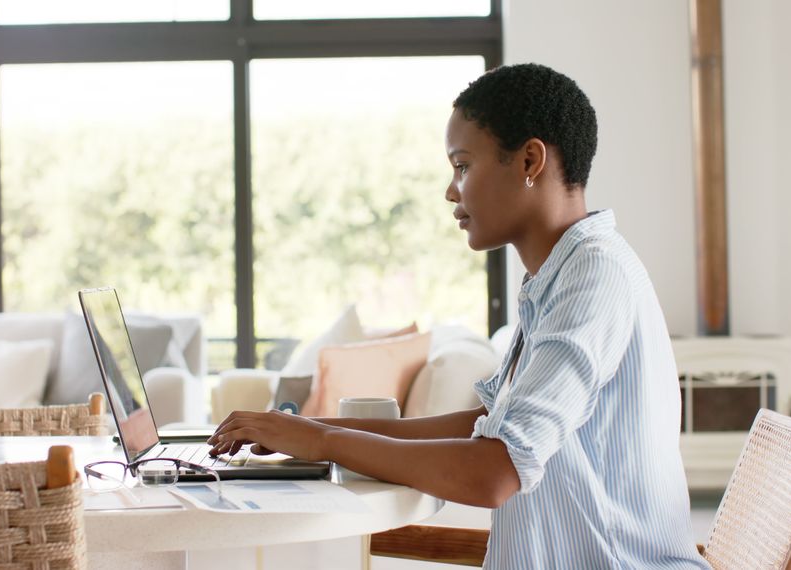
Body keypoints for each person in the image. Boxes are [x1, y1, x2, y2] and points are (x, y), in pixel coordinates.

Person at [207, 63, 708, 569]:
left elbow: (494, 471)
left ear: (530, 160)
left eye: (463, 166)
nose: (451, 191)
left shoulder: (593, 278)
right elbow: (488, 429)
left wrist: (320, 440)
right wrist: (310, 428)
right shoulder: (560, 277)